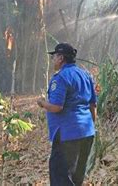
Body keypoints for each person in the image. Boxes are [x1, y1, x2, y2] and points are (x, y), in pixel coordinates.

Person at [37, 43, 97, 186]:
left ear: (61, 58)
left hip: (68, 134)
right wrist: (91, 126)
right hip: (87, 132)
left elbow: (57, 107)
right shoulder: (85, 75)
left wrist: (42, 103)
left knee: (60, 177)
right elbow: (93, 104)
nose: (53, 60)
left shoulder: (61, 77)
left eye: (54, 56)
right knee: (77, 177)